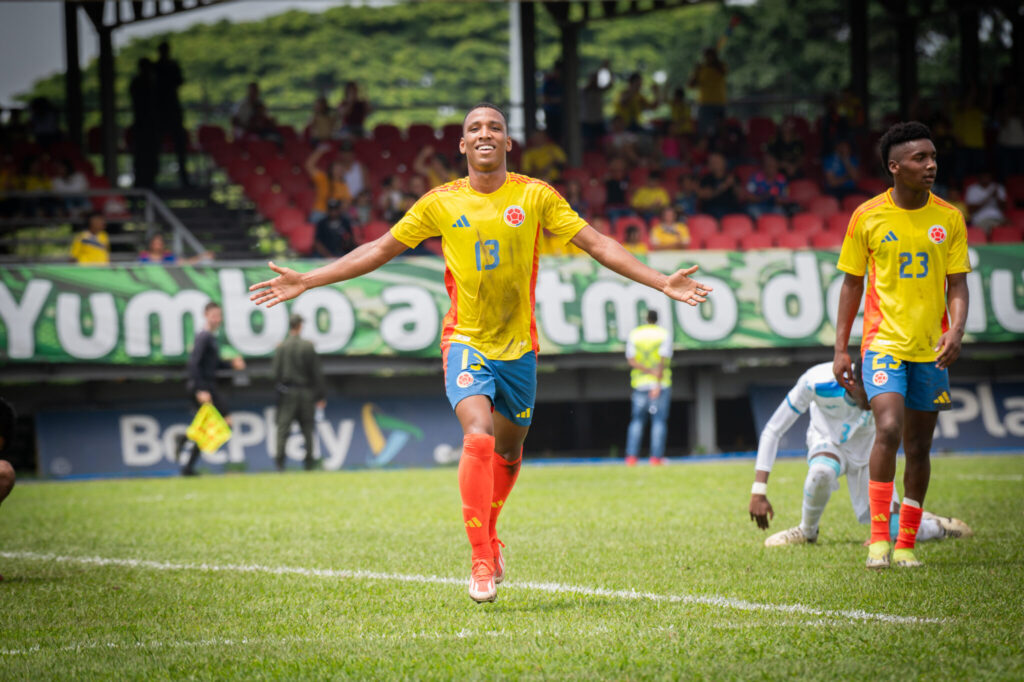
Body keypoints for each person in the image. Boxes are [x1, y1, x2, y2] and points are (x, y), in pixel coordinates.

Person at [249, 102, 712, 603]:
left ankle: (491, 534)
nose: (485, 133)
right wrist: (309, 280)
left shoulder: (535, 196)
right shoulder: (439, 202)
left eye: (495, 127)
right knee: (478, 435)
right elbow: (378, 249)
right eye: (474, 129)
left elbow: (599, 245)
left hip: (519, 350)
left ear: (508, 143)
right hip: (465, 341)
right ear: (463, 145)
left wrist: (661, 281)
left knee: (510, 451)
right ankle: (482, 562)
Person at [833, 121, 970, 569]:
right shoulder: (867, 216)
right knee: (888, 428)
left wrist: (957, 329)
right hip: (883, 342)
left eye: (933, 157)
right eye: (919, 159)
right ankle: (878, 543)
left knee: (919, 446)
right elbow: (852, 284)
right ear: (895, 167)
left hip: (932, 348)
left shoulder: (948, 218)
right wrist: (840, 348)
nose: (930, 165)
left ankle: (906, 543)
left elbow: (958, 286)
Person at [748, 362, 972, 547]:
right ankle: (806, 531)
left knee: (893, 531)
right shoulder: (815, 382)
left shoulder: (887, 388)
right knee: (821, 472)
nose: (875, 399)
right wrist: (759, 491)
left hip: (870, 453)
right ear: (851, 384)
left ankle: (936, 526)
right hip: (828, 442)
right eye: (869, 393)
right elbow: (773, 430)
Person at [180, 302, 246, 476]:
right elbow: (193, 364)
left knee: (211, 426)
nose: (217, 319)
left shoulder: (211, 337)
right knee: (224, 422)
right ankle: (186, 452)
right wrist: (200, 389)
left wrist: (231, 363)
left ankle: (187, 460)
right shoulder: (203, 337)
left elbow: (214, 364)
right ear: (206, 315)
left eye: (219, 315)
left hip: (209, 386)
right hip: (203, 387)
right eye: (214, 315)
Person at [273, 314, 327, 471]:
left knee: (283, 429)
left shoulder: (281, 347)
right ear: (300, 326)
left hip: (287, 393)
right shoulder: (307, 346)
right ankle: (309, 463)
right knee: (308, 428)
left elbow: (275, 372)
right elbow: (316, 373)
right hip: (305, 393)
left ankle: (280, 463)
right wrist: (320, 395)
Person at [624, 310, 673, 467]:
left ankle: (631, 457)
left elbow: (631, 359)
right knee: (658, 421)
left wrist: (647, 372)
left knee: (637, 421)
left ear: (645, 319)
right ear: (657, 319)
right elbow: (662, 360)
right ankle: (656, 458)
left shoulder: (635, 334)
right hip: (660, 383)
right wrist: (656, 382)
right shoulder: (662, 334)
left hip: (639, 383)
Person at [154, 41, 189, 186]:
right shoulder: (156, 68)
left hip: (171, 111)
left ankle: (184, 179)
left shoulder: (170, 66)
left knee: (180, 147)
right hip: (161, 112)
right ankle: (152, 179)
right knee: (156, 147)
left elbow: (179, 81)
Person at [305, 144, 352, 224]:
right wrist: (320, 151)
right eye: (336, 168)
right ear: (331, 169)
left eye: (340, 168)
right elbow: (309, 165)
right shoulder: (323, 179)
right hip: (320, 211)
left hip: (335, 214)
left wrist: (341, 207)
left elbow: (347, 201)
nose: (338, 170)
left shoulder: (344, 186)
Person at [688, 47, 728, 138]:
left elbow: (724, 71)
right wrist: (696, 71)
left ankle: (720, 147)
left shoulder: (720, 66)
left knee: (720, 130)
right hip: (705, 103)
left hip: (719, 102)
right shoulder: (701, 69)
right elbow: (691, 85)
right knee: (704, 130)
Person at [698, 152, 742, 219]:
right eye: (713, 162)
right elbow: (706, 195)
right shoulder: (706, 179)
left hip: (732, 208)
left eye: (718, 161)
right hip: (713, 209)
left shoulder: (732, 177)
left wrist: (734, 185)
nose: (715, 164)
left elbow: (741, 196)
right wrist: (724, 185)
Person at [745, 154, 790, 219]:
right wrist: (764, 196)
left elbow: (786, 199)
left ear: (777, 167)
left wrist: (779, 200)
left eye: (773, 166)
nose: (771, 168)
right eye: (768, 166)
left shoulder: (782, 180)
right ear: (764, 167)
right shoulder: (755, 178)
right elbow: (748, 197)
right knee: (753, 210)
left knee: (780, 212)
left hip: (774, 208)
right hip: (758, 207)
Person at [138, 233, 212, 264]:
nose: (158, 246)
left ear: (163, 244)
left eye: (160, 243)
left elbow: (185, 263)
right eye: (155, 243)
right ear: (150, 244)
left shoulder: (168, 257)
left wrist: (202, 257)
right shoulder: (143, 257)